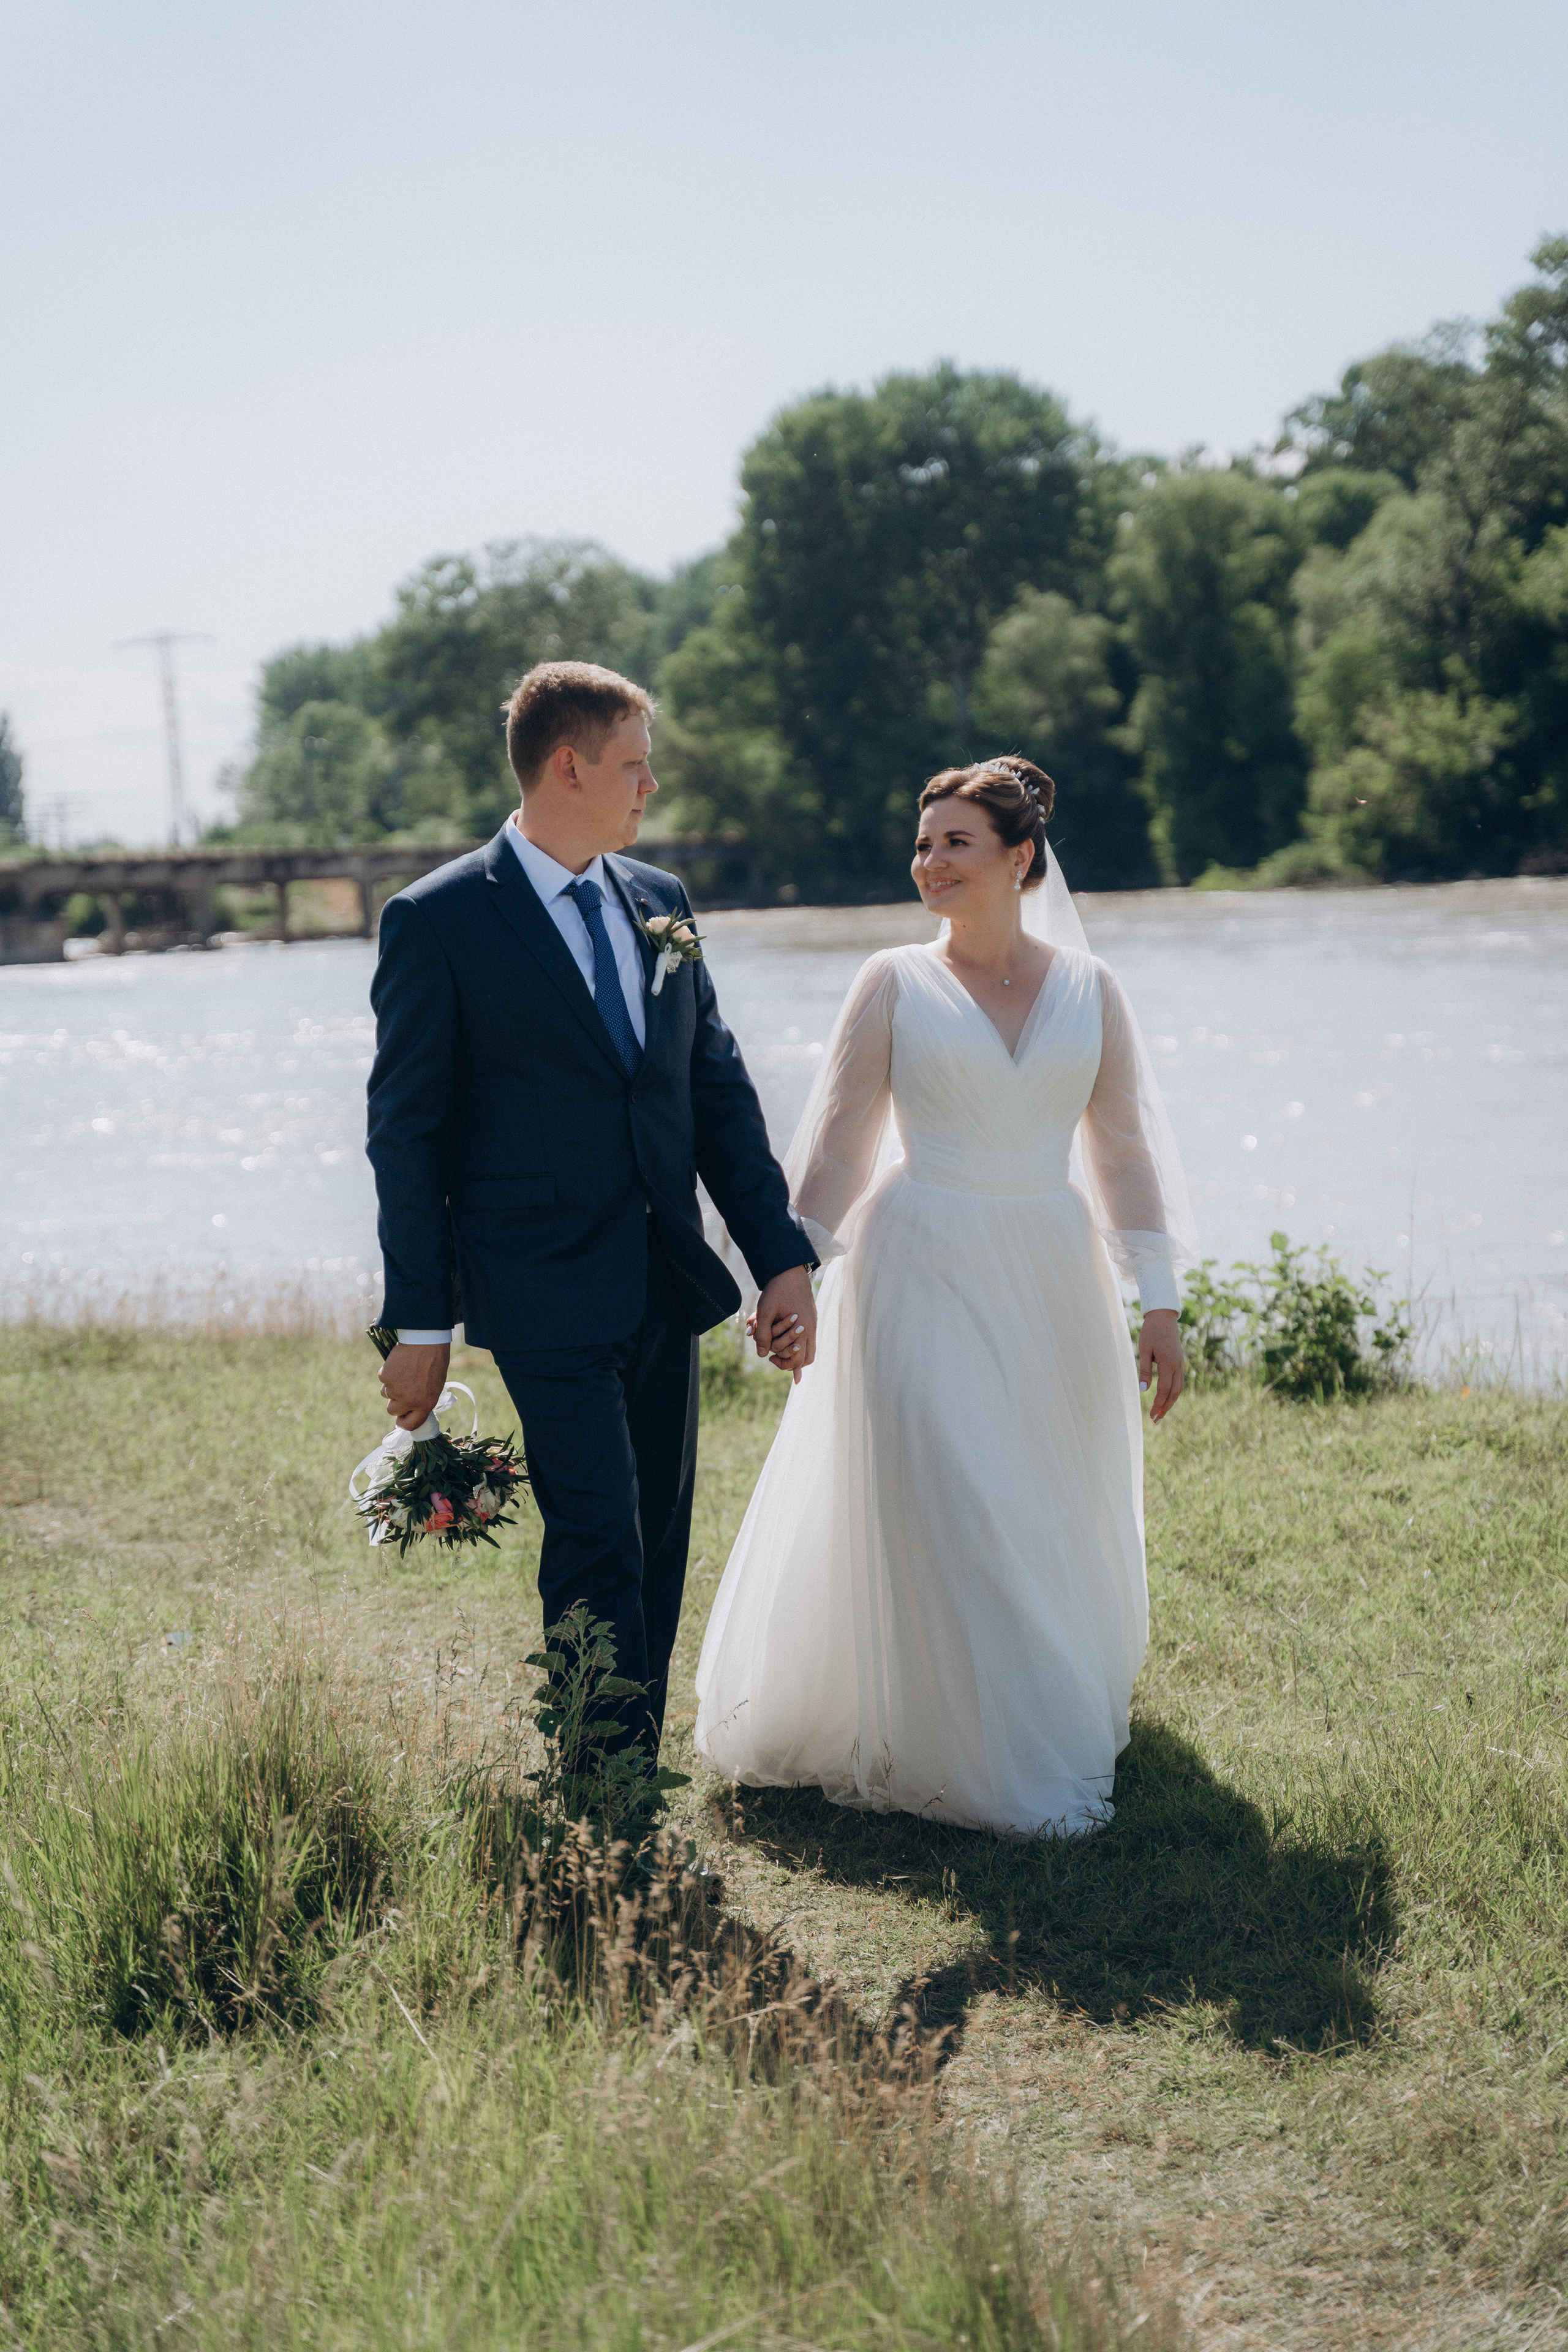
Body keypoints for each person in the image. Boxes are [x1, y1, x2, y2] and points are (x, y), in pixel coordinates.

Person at [694, 758, 1196, 1836]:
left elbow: (1123, 1154)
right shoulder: (891, 981)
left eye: (956, 843)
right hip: (917, 1260)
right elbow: (840, 1145)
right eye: (923, 845)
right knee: (956, 1480)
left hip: (1051, 1269)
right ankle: (959, 1745)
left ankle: (1030, 1708)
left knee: (1038, 1492)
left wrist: (1157, 1300)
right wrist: (793, 1270)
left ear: (1021, 857)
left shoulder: (1092, 990)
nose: (930, 862)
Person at [366, 661, 817, 1758]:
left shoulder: (660, 901)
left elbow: (715, 1090)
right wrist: (420, 1321)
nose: (650, 785)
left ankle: (629, 1765)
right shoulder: (437, 919)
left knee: (657, 1532)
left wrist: (780, 1256)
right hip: (538, 1284)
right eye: (634, 764)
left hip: (665, 1275)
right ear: (568, 766)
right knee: (599, 1530)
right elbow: (406, 1135)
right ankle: (599, 1790)